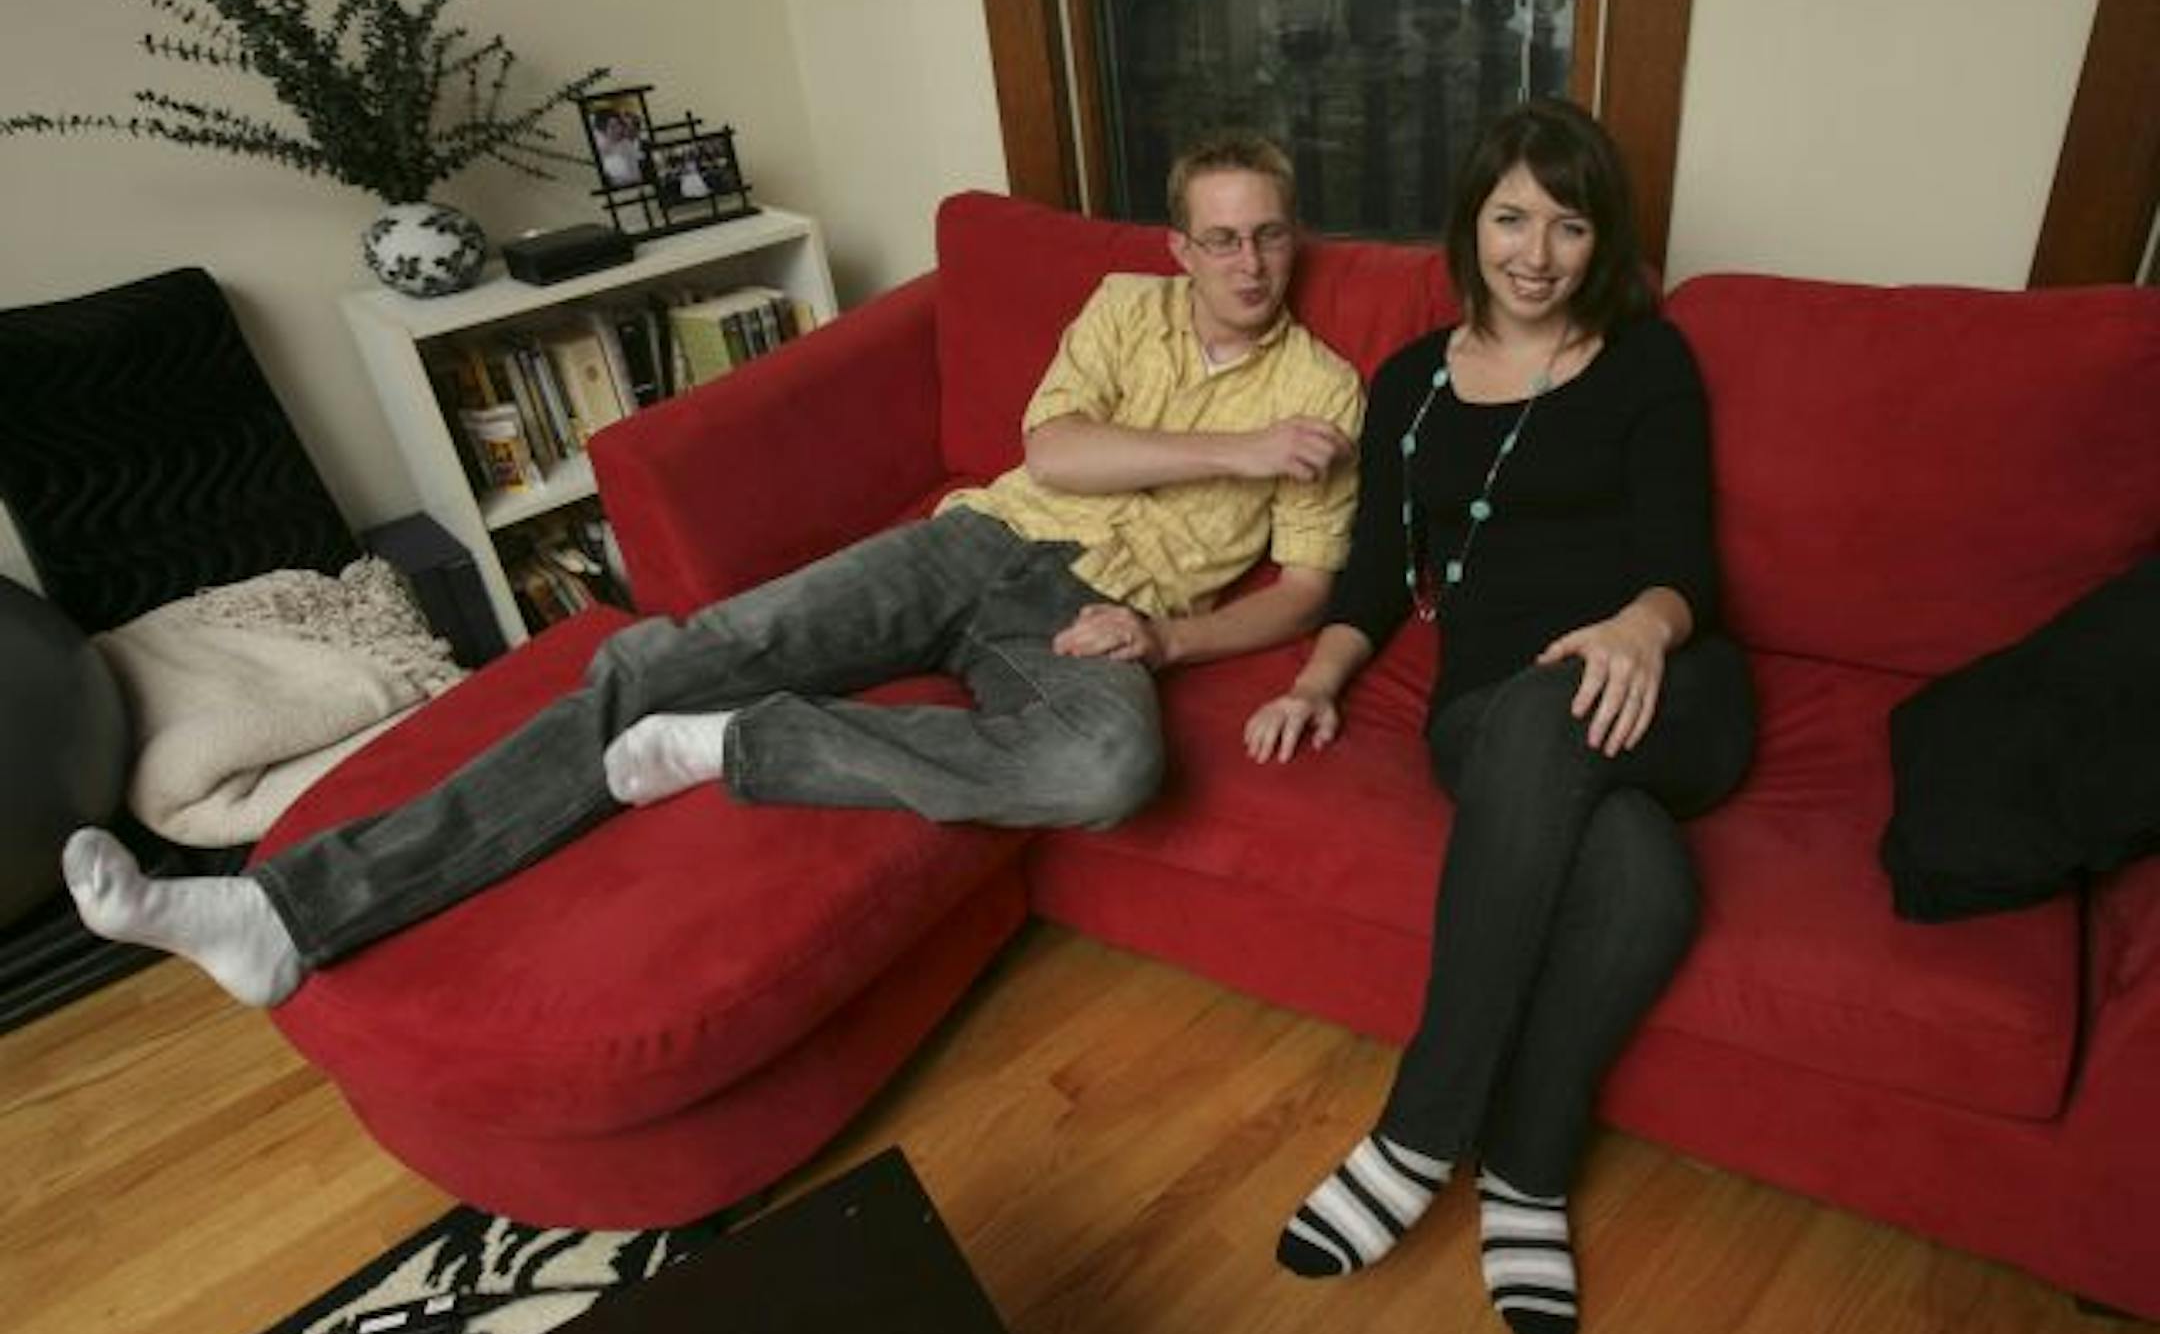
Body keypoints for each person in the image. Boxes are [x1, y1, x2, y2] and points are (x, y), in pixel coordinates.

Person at [63, 130, 1365, 1013]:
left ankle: (748, 746)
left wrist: (1165, 644)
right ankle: (286, 918)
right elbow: (1055, 450)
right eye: (1224, 239)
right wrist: (1238, 443)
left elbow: (1304, 590)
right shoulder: (1123, 312)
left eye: (1270, 239)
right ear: (1182, 247)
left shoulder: (1327, 387)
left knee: (1107, 770)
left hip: (1094, 618)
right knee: (652, 664)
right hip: (971, 542)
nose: (1251, 265)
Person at [1246, 98, 1754, 1334]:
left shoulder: (1649, 361)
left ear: (1604, 238)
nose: (1536, 253)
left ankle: (1420, 1132)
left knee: (1560, 719)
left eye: (1569, 224)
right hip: (1495, 716)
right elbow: (1372, 573)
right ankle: (1527, 1168)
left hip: (1665, 686)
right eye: (1511, 217)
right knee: (1643, 877)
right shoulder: (1411, 382)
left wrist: (1643, 625)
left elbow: (1687, 559)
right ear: (1470, 224)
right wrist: (1318, 678)